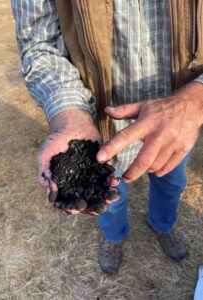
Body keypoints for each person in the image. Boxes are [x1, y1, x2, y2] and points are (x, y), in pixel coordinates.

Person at [11, 0, 203, 274]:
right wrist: (69, 113)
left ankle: (163, 225)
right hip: (100, 129)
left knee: (172, 184)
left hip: (177, 128)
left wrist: (195, 99)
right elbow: (39, 43)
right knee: (109, 198)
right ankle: (114, 238)